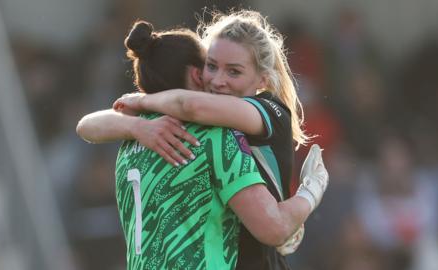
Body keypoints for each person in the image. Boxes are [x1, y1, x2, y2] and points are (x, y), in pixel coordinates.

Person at [77, 16, 328, 270]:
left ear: (263, 80)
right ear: (197, 74)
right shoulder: (208, 136)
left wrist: (139, 109)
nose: (218, 81)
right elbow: (85, 125)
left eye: (234, 71)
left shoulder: (271, 111)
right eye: (211, 66)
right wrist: (311, 191)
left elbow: (190, 106)